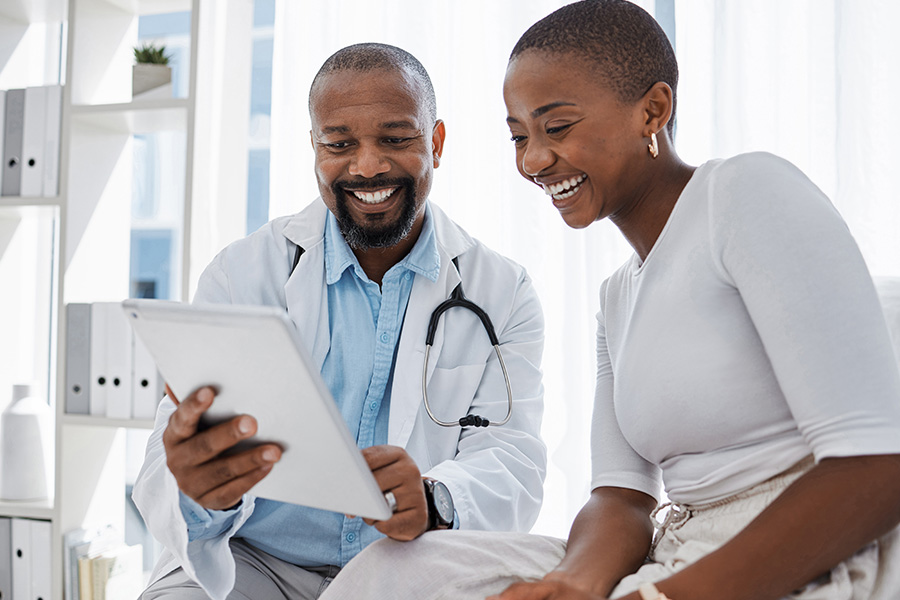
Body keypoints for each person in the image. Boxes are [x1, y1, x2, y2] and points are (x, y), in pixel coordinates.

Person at [316, 2, 900, 600]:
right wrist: (573, 583)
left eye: (557, 127)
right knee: (397, 572)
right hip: (678, 549)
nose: (533, 160)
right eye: (519, 136)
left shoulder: (745, 192)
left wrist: (658, 597)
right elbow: (622, 497)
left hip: (801, 551)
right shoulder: (618, 295)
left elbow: (877, 467)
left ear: (653, 110)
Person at [132, 43, 548, 600]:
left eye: (396, 139)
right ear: (314, 148)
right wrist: (203, 488)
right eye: (340, 144)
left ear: (437, 143)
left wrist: (435, 499)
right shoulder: (242, 274)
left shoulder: (502, 290)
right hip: (253, 560)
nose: (368, 165)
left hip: (407, 567)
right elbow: (171, 452)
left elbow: (512, 457)